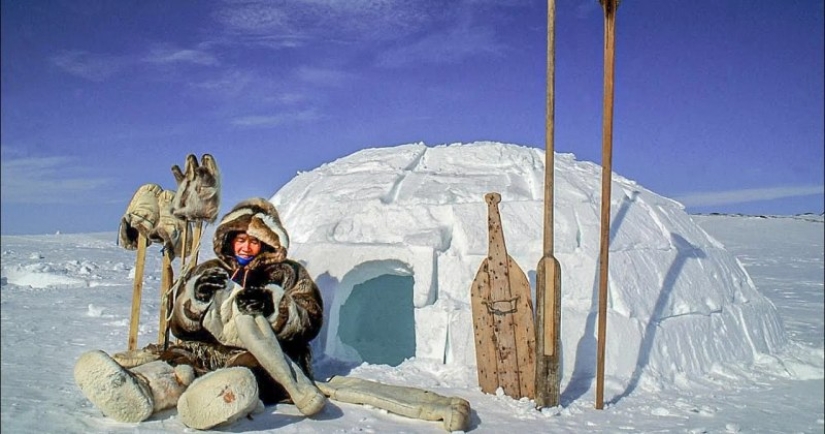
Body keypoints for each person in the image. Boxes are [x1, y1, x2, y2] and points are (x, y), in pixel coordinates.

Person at [74, 198, 326, 430]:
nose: (246, 247)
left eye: (254, 241)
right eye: (241, 240)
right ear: (229, 240)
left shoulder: (288, 273)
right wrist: (197, 300)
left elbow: (310, 318)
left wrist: (272, 306)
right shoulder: (212, 270)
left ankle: (216, 400)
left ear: (266, 243)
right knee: (179, 364)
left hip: (263, 354)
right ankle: (136, 390)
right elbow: (179, 327)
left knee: (250, 374)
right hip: (209, 351)